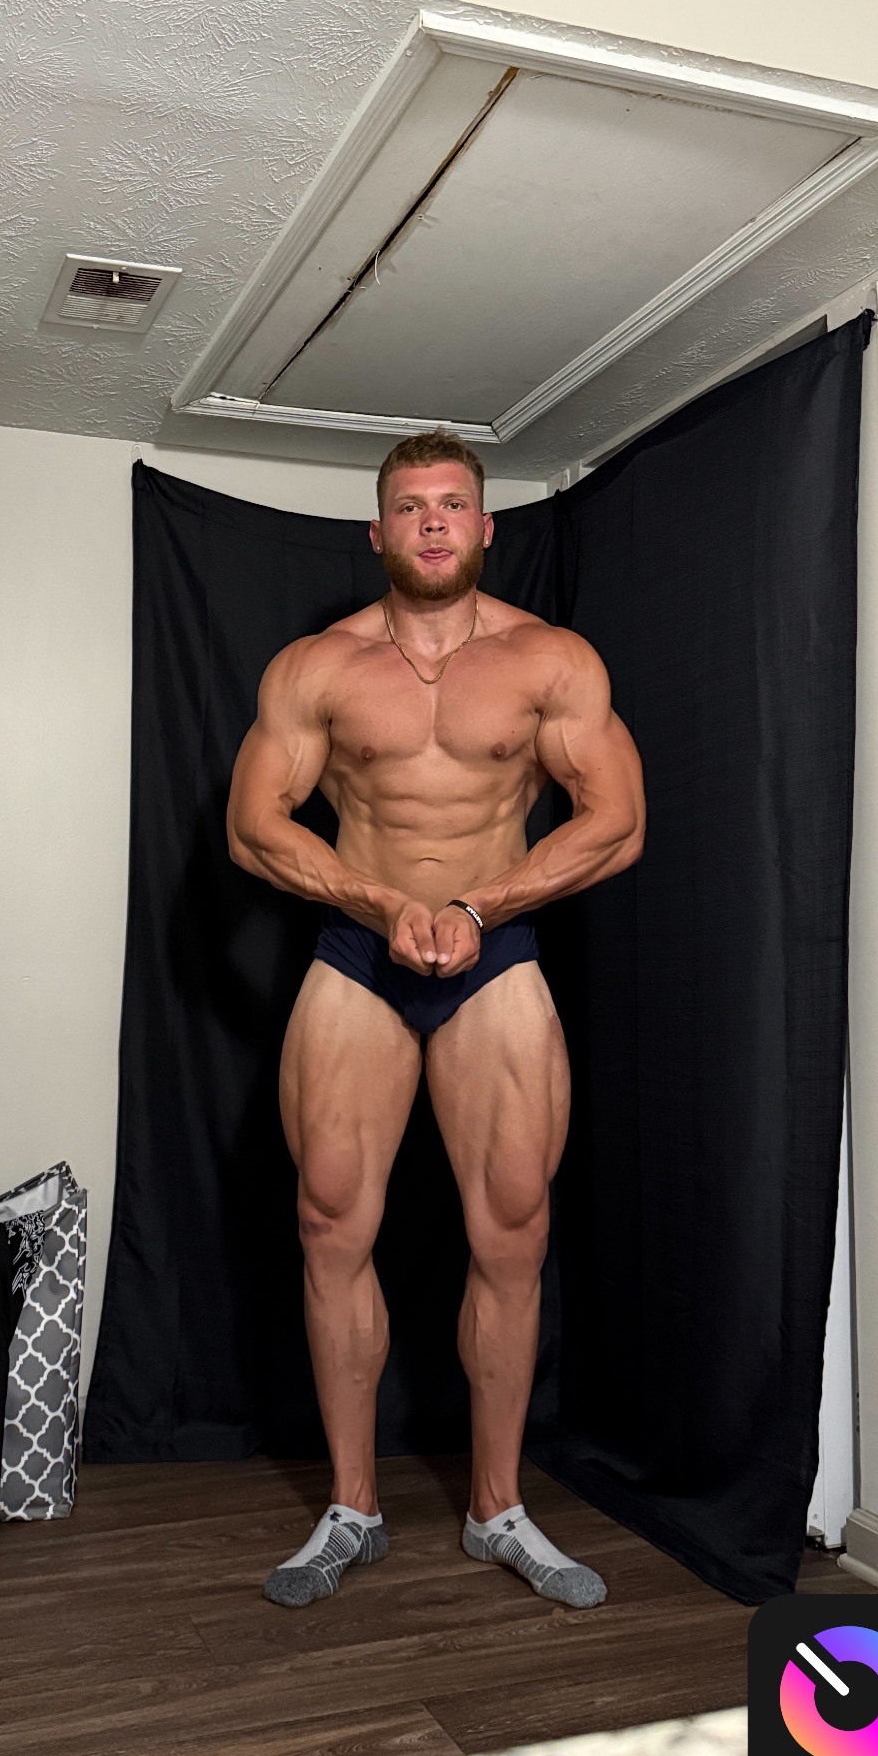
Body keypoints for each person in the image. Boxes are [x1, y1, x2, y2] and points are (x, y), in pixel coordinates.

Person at [226, 428, 644, 1611]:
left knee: (513, 1228)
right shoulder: (317, 667)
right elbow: (255, 825)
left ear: (485, 525)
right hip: (360, 954)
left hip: (492, 953)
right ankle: (353, 1508)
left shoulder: (548, 659)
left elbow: (617, 820)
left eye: (452, 503)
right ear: (378, 532)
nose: (432, 522)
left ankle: (496, 1507)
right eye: (410, 506)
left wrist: (477, 904)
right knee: (328, 1222)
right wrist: (379, 901)